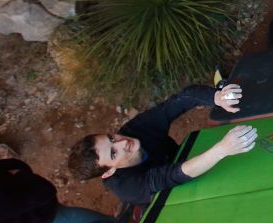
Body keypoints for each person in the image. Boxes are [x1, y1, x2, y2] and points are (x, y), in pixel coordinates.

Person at [67, 84, 257, 207]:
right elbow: (173, 176)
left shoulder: (133, 130)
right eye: (114, 153)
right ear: (108, 172)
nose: (123, 141)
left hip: (187, 161)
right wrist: (222, 149)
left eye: (111, 138)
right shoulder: (127, 187)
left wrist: (217, 97)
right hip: (175, 201)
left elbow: (177, 102)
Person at [0, 157, 116, 223]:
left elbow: (16, 164)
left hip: (45, 214)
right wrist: (20, 176)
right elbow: (45, 190)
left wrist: (20, 179)